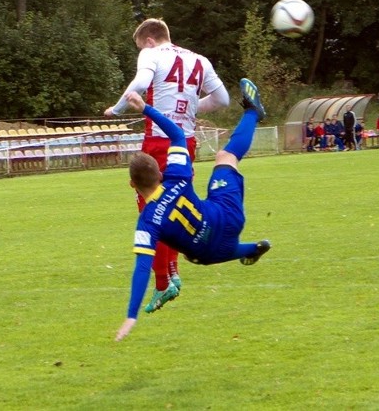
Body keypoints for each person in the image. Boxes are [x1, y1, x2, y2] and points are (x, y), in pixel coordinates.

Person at [115, 78, 271, 341]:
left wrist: (131, 315)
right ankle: (253, 112)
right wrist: (145, 108)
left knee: (193, 253)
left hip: (208, 254)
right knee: (226, 157)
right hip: (228, 216)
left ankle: (246, 250)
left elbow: (142, 267)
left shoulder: (147, 222)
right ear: (160, 173)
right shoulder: (175, 175)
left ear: (132, 184)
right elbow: (177, 134)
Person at [104, 18, 229, 312]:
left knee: (153, 212)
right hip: (186, 142)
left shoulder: (151, 54)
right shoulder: (200, 60)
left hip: (159, 141)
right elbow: (223, 99)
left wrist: (117, 108)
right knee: (173, 206)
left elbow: (140, 84)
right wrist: (193, 106)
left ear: (149, 40)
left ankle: (163, 283)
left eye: (139, 45)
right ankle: (172, 272)